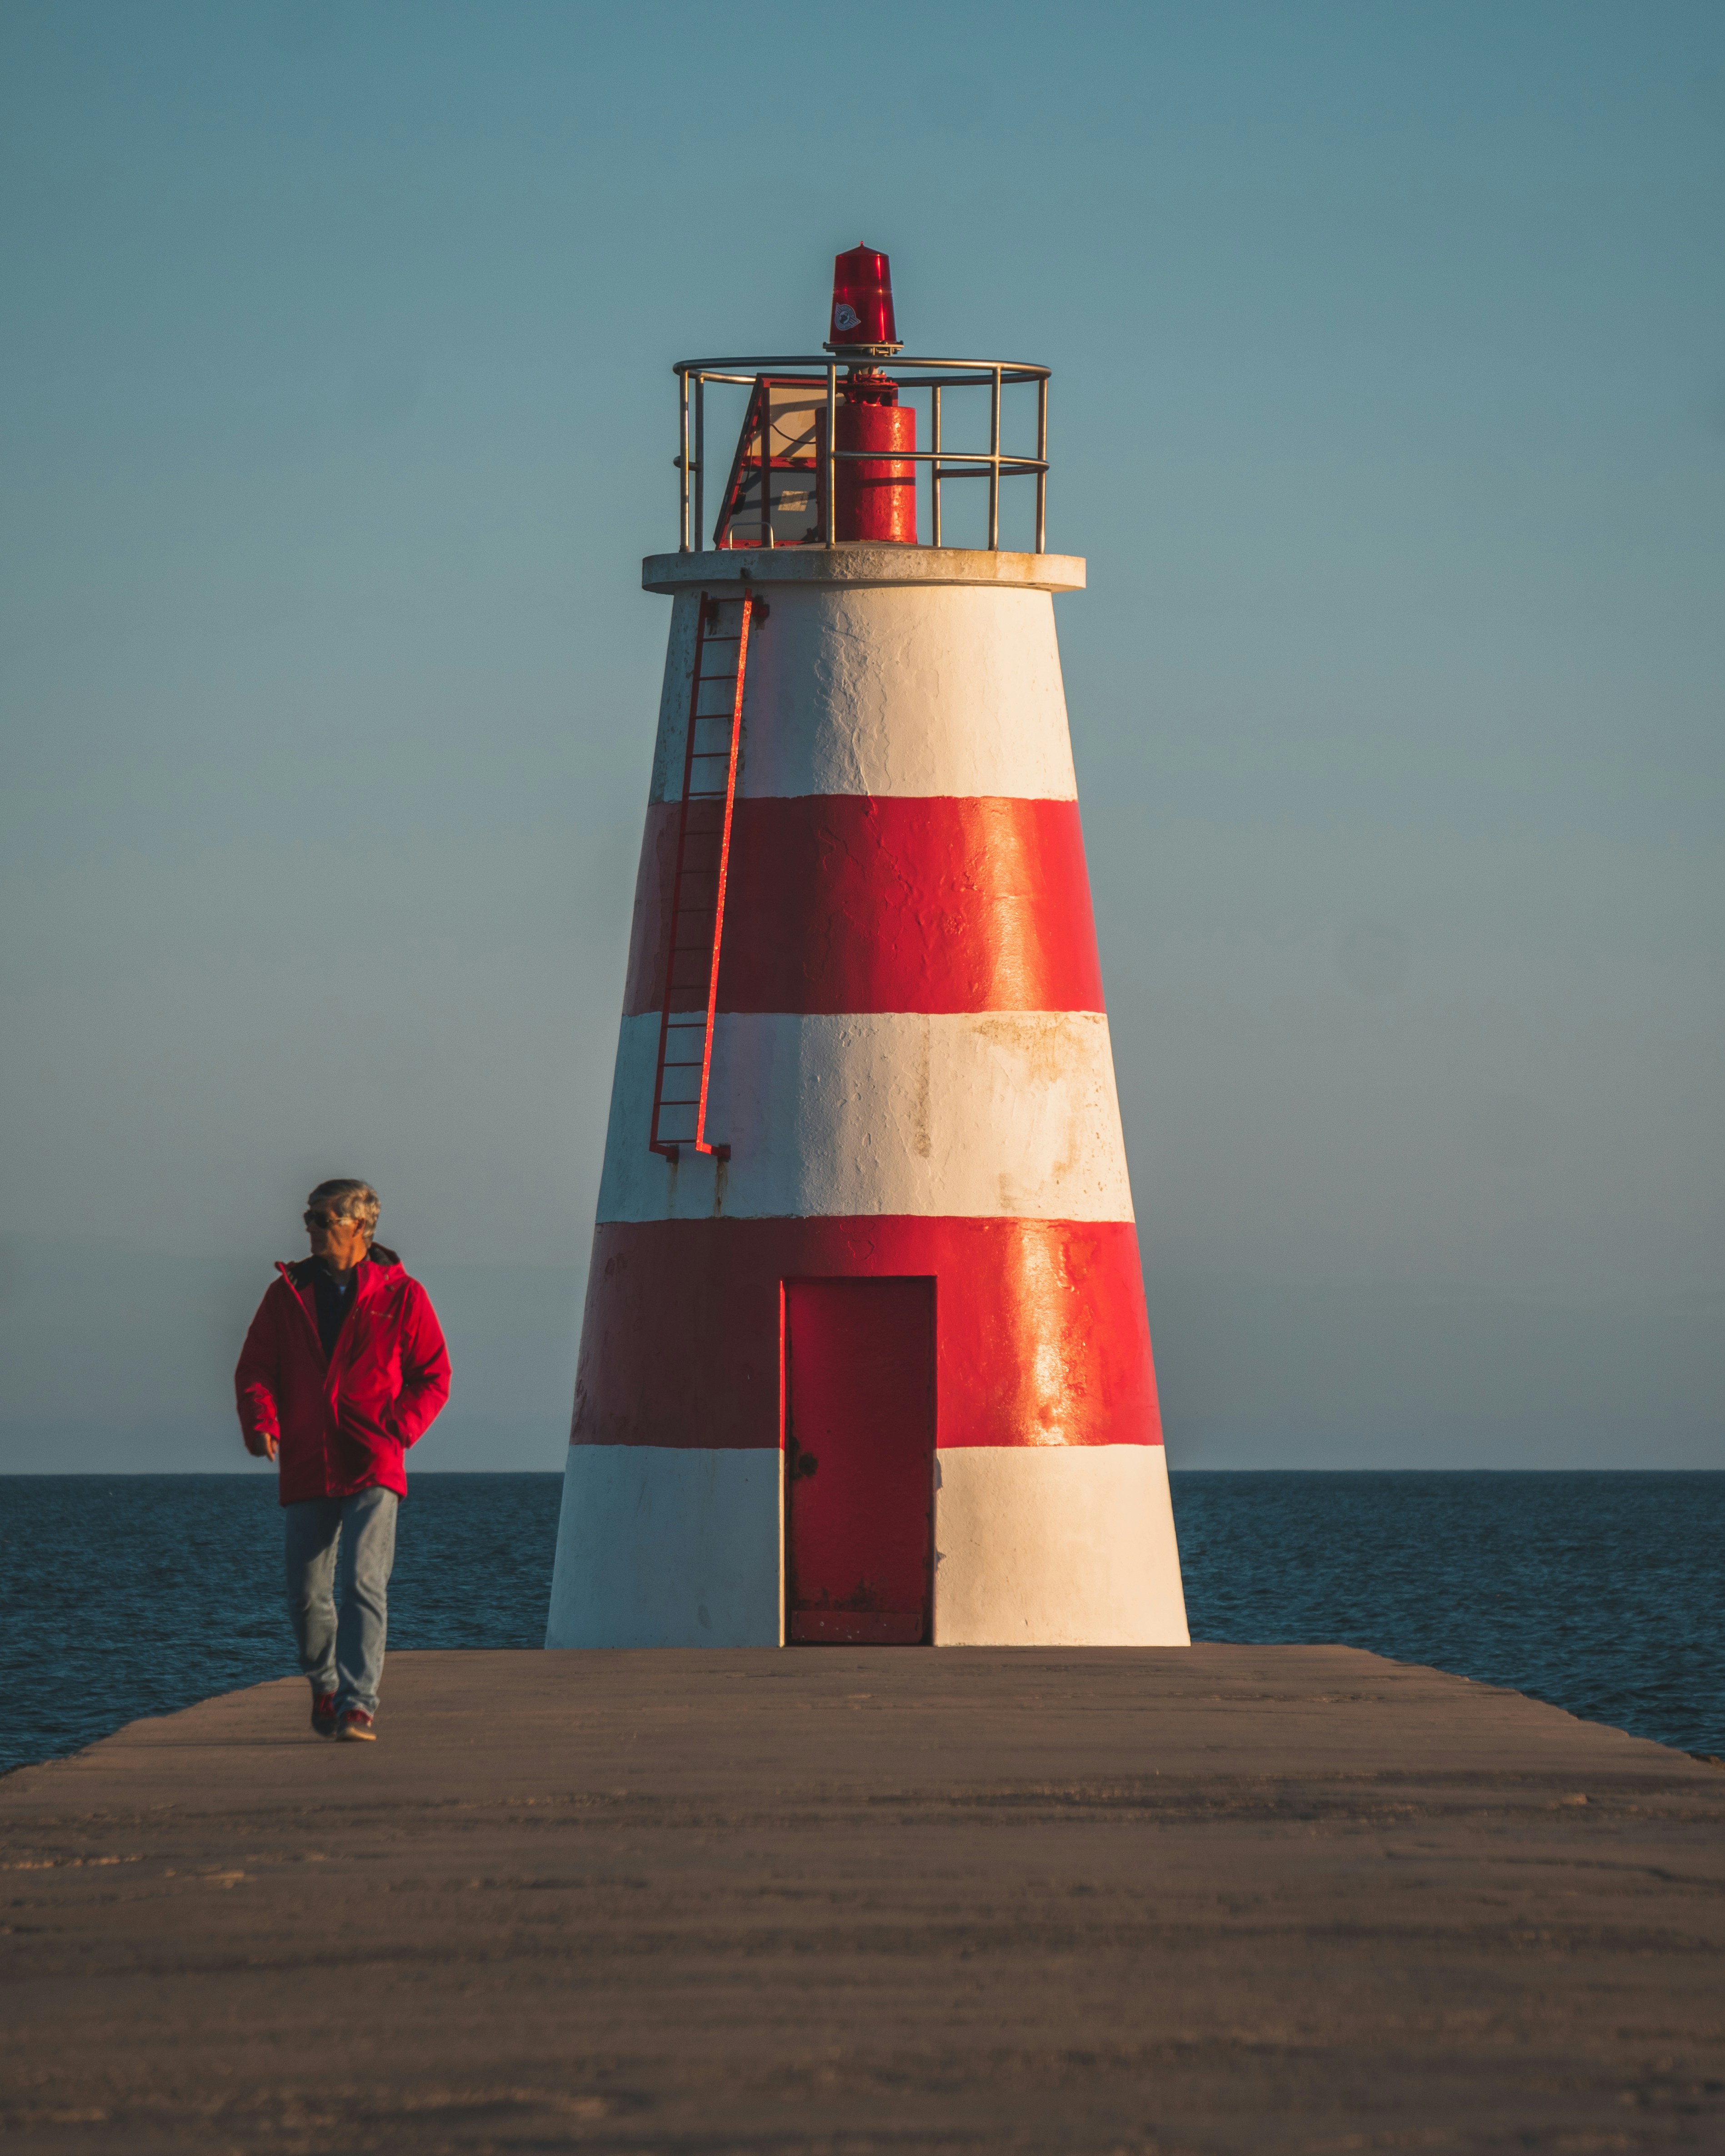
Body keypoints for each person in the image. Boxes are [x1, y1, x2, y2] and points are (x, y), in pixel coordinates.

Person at [235, 1179, 450, 1742]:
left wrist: (397, 1430)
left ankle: (359, 1702)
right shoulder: (285, 1295)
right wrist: (262, 1423)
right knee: (306, 1592)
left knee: (362, 1580)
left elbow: (434, 1375)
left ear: (358, 1228)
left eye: (322, 1219)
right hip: (307, 1458)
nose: (309, 1227)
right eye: (308, 1217)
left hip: (374, 1459)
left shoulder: (404, 1296)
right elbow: (256, 1369)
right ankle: (325, 1683)